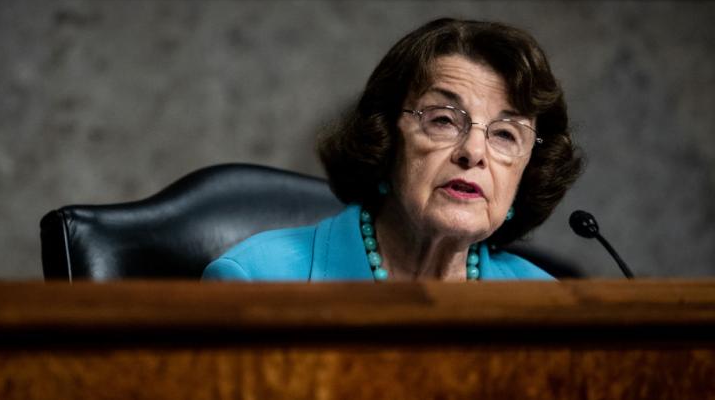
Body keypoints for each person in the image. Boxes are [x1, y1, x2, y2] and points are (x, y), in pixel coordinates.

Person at [202, 17, 583, 281]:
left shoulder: (547, 309)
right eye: (443, 120)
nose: (474, 152)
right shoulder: (254, 281)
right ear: (385, 139)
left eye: (505, 134)